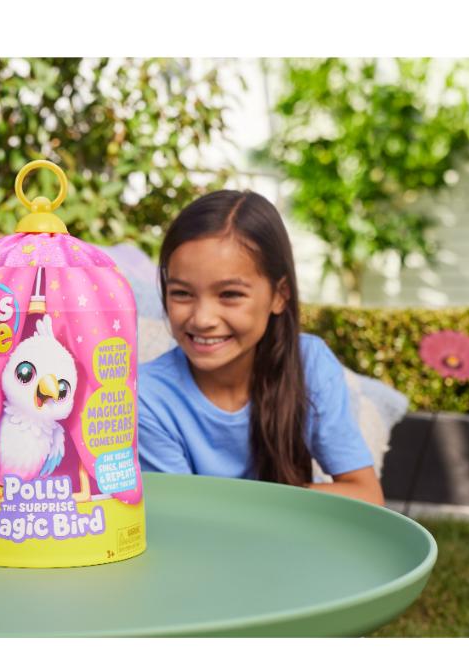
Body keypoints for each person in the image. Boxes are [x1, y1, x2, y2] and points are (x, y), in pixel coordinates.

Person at [138, 190, 384, 505]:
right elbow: (185, 514)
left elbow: (366, 495)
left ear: (279, 295)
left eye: (230, 294)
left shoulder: (309, 364)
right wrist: (288, 499)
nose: (202, 319)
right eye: (182, 293)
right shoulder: (146, 396)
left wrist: (244, 502)